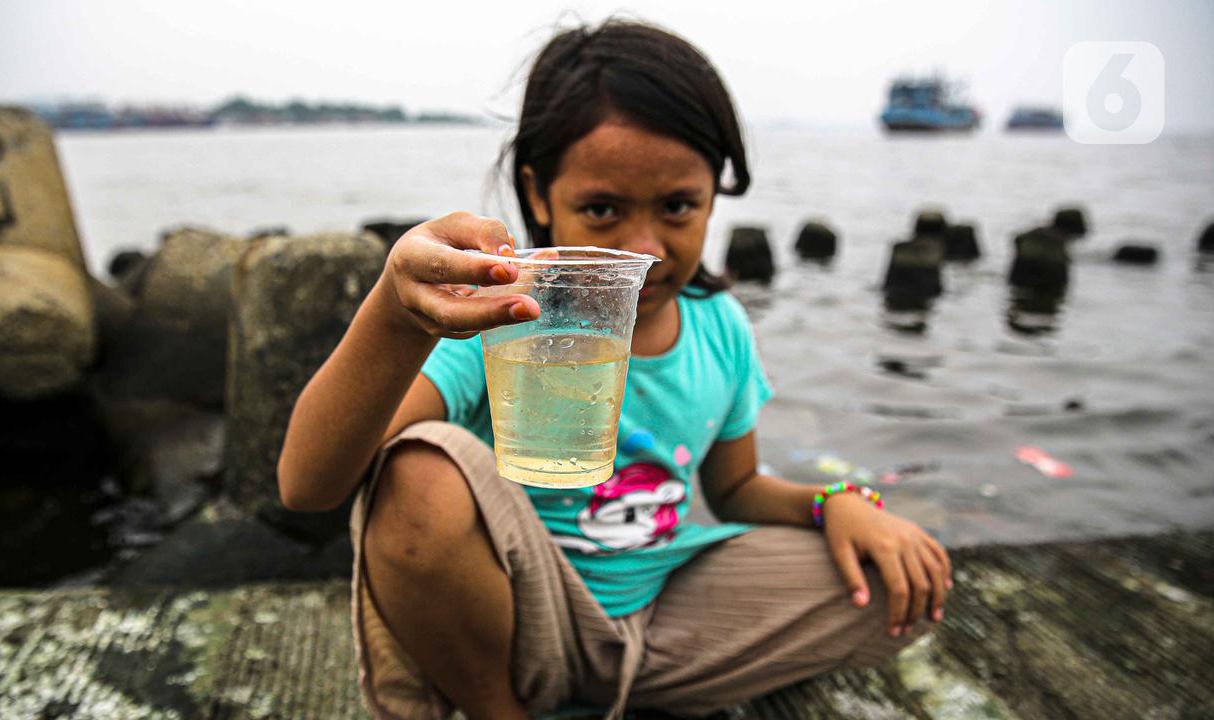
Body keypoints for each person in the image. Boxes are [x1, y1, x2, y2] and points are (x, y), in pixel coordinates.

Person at [278, 19, 952, 720]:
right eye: (602, 209)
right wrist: (395, 311)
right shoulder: (498, 318)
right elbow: (307, 485)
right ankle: (496, 707)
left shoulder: (720, 329)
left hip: (660, 608)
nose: (645, 246)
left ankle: (609, 687)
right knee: (416, 466)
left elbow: (738, 488)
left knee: (901, 580)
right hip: (514, 623)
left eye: (678, 206)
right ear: (539, 195)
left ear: (714, 194)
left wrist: (834, 503)